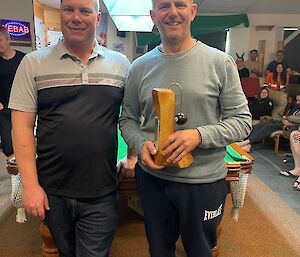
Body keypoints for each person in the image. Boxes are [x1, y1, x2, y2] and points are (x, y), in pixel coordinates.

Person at [119, 0, 252, 256]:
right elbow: (127, 120)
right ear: (153, 15)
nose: (172, 12)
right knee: (158, 250)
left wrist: (199, 135)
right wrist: (139, 144)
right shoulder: (139, 67)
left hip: (202, 182)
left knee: (201, 251)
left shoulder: (220, 62)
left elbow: (242, 121)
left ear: (192, 11)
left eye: (179, 4)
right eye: (164, 6)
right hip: (153, 181)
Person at [9, 0, 131, 256]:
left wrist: (132, 155)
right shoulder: (33, 63)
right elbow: (21, 127)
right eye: (69, 9)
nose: (76, 17)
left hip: (102, 189)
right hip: (52, 190)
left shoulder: (121, 64)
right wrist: (30, 186)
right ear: (60, 14)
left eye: (85, 11)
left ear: (97, 18)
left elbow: (132, 116)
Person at [0, 27, 25, 157]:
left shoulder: (24, 59)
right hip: (4, 110)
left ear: (8, 40)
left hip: (23, 109)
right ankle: (15, 173)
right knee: (8, 145)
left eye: (0, 40)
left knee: (24, 142)